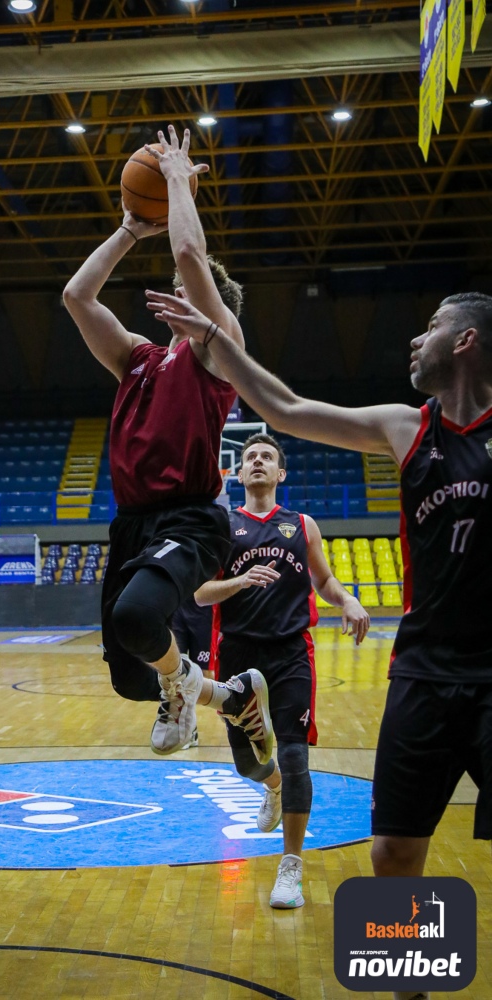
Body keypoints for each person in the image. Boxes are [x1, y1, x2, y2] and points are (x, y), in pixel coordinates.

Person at [145, 288, 492, 1000]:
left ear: (467, 341)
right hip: (422, 672)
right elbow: (286, 408)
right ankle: (410, 992)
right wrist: (215, 335)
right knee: (393, 853)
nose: (414, 341)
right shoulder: (407, 428)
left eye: (430, 327)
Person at [62, 123, 273, 764]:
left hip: (190, 515)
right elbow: (76, 295)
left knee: (136, 620)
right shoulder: (137, 357)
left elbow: (189, 257)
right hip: (131, 522)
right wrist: (129, 228)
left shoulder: (219, 347)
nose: (179, 287)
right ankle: (229, 696)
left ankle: (182, 695)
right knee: (131, 673)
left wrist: (178, 183)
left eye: (191, 289)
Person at [195, 433, 370, 908]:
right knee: (248, 762)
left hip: (292, 653)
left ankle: (290, 866)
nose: (257, 462)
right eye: (250, 456)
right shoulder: (222, 527)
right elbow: (198, 594)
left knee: (295, 758)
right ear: (239, 471)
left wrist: (348, 600)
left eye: (266, 457)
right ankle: (269, 787)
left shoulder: (301, 525)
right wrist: (241, 580)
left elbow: (325, 580)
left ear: (280, 474)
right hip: (237, 653)